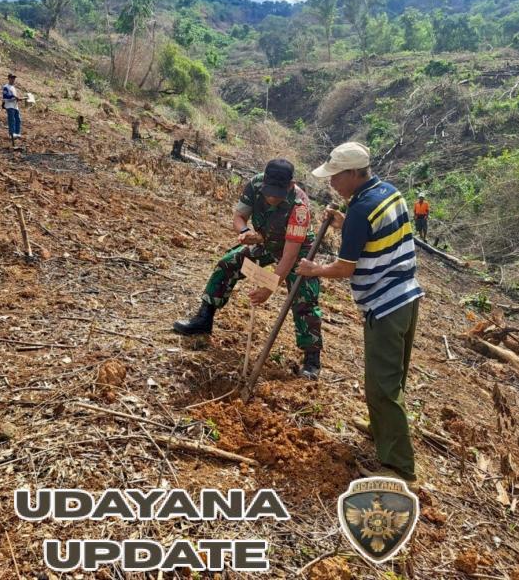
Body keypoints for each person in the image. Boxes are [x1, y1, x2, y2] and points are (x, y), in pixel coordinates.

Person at [296, 142, 424, 486]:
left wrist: (314, 269)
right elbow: (374, 236)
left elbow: (344, 268)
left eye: (336, 177)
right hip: (407, 296)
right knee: (392, 377)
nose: (332, 184)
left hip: (385, 304)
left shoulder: (360, 209)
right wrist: (343, 223)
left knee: (382, 386)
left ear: (354, 174)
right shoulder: (388, 193)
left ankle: (399, 468)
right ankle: (381, 428)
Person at [173, 159, 323, 379]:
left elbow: (290, 255)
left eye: (277, 194)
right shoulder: (255, 185)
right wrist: (245, 232)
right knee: (229, 263)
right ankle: (203, 319)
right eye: (268, 192)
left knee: (304, 296)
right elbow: (239, 217)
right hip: (264, 241)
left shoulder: (299, 207)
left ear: (291, 185)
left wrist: (269, 287)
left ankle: (312, 359)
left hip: (297, 250)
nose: (271, 198)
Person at [2, 73, 25, 139]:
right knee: (12, 119)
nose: (13, 79)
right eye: (11, 78)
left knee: (18, 119)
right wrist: (15, 97)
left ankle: (17, 133)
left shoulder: (13, 88)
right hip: (9, 106)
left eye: (14, 78)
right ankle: (11, 134)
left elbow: (14, 97)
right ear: (8, 78)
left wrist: (17, 99)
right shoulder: (6, 87)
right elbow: (6, 96)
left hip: (15, 106)